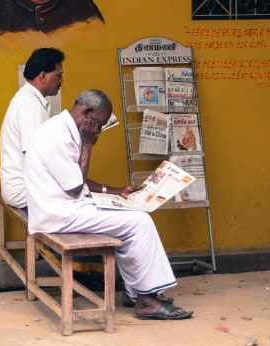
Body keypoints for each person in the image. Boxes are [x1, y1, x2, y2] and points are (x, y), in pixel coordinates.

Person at [24, 89, 193, 320]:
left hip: (68, 206)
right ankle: (146, 301)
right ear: (87, 112)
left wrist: (114, 191)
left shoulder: (64, 127)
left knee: (133, 215)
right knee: (140, 222)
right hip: (58, 214)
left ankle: (135, 292)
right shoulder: (56, 136)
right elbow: (74, 186)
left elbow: (74, 178)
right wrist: (87, 144)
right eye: (100, 123)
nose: (100, 129)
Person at [0, 48, 64, 208]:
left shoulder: (30, 99)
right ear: (43, 76)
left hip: (24, 187)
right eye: (58, 75)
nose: (61, 80)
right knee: (79, 199)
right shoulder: (30, 104)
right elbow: (34, 156)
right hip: (22, 191)